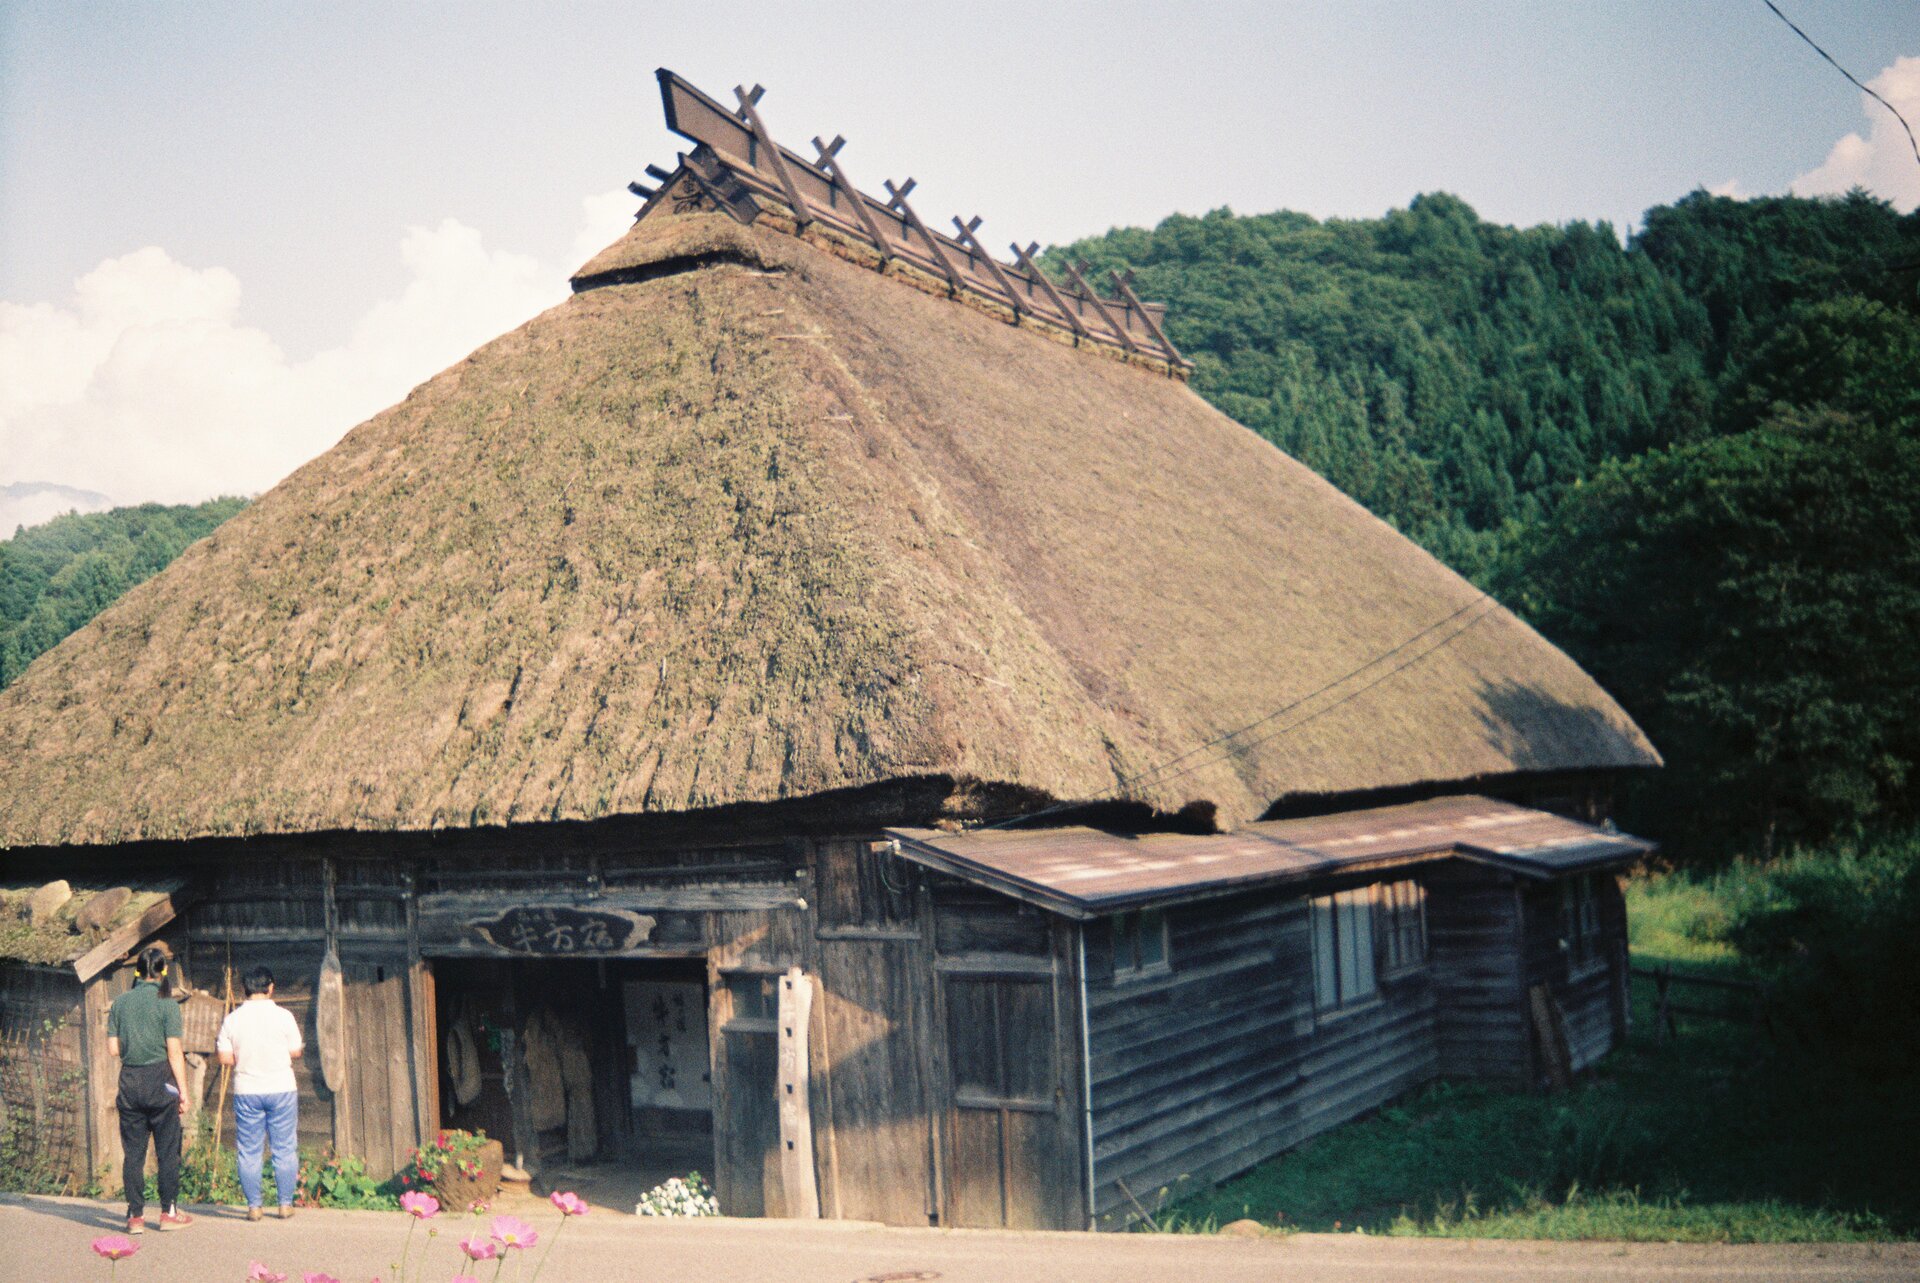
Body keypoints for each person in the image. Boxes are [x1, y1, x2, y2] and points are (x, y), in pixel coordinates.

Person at [107, 944, 194, 1233]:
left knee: (134, 1153)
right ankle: (168, 1213)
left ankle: (135, 1216)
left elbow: (112, 1049)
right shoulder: (168, 1004)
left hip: (130, 1082)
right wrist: (183, 1092)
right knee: (167, 1151)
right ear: (163, 971)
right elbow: (174, 1052)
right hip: (161, 1081)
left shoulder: (120, 1003)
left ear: (137, 972)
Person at [215, 965, 305, 1221]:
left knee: (249, 1150)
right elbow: (296, 1051)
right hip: (281, 1087)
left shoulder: (232, 1019)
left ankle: (254, 1206)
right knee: (284, 1147)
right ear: (271, 987)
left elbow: (225, 1058)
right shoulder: (284, 1016)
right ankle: (285, 1204)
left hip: (248, 1090)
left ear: (245, 989)